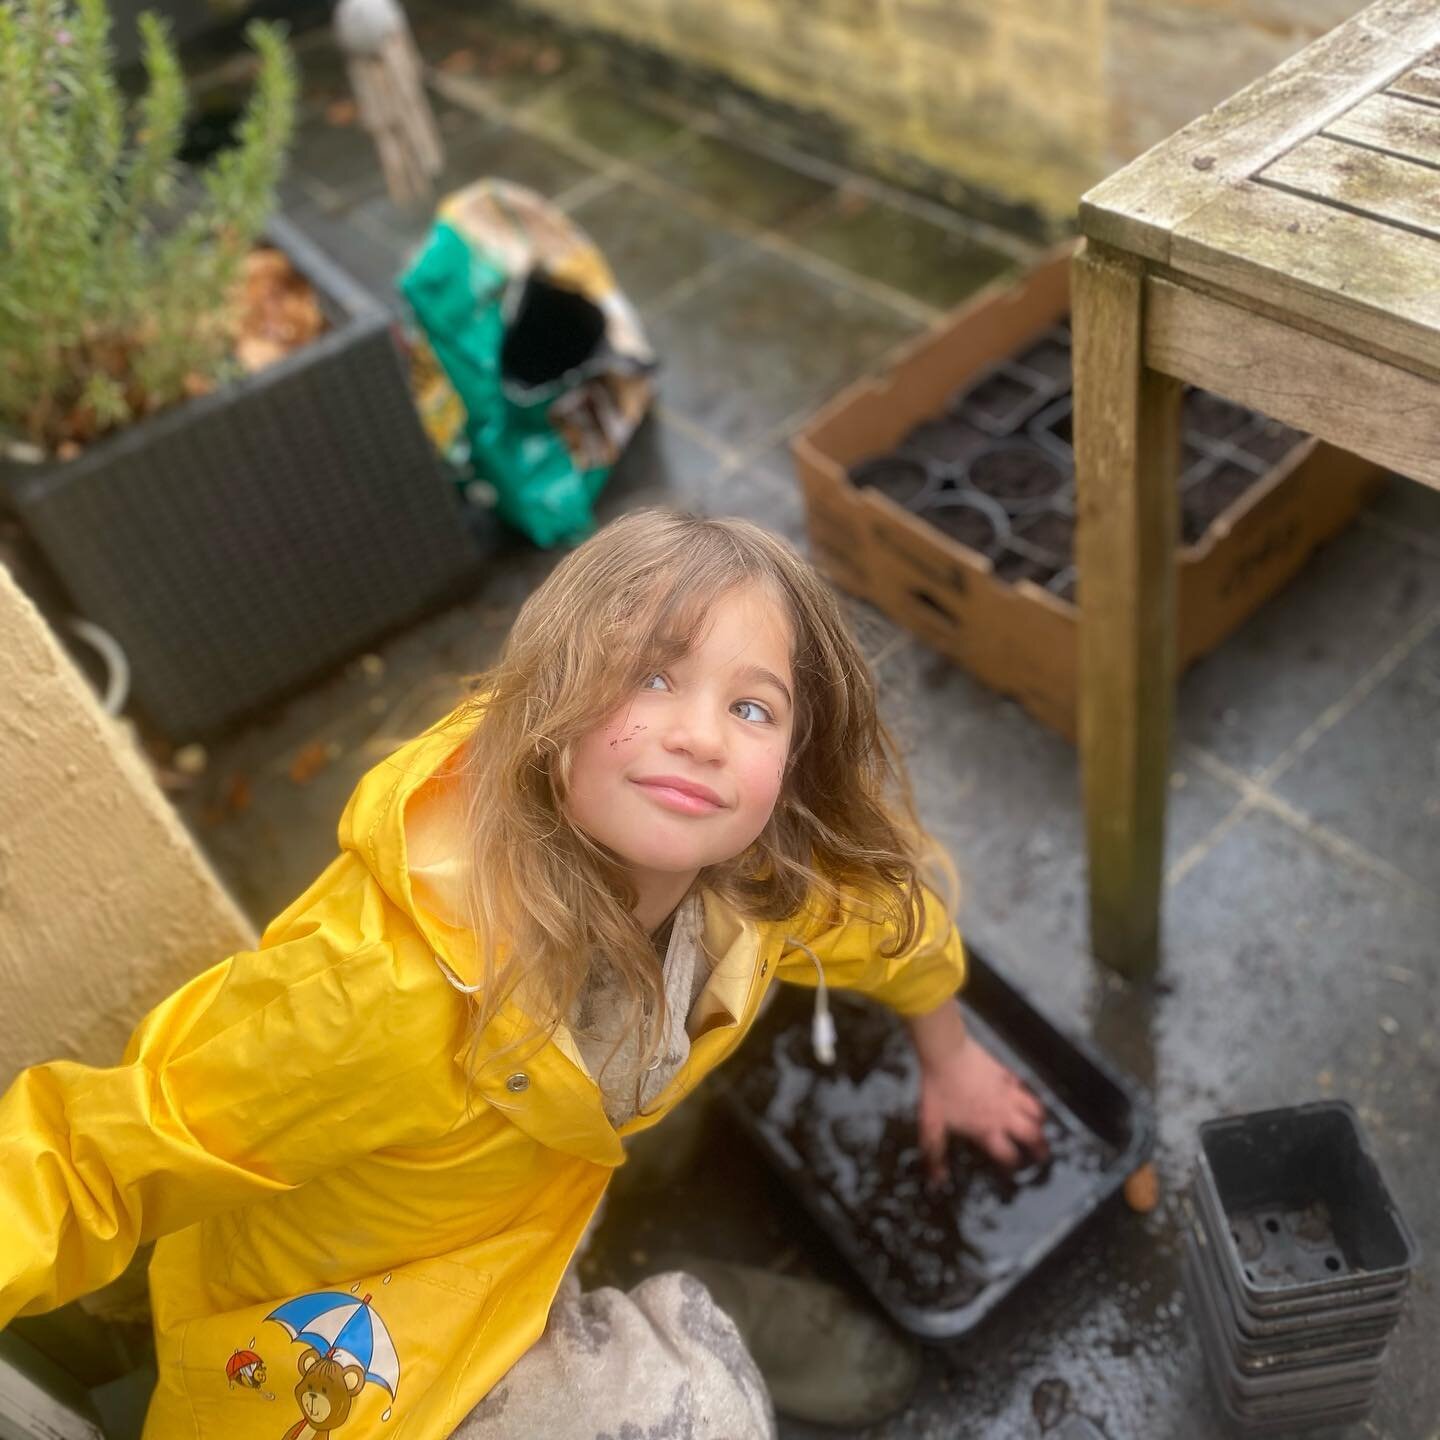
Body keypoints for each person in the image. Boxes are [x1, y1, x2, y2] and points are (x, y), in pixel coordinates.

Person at [0, 509, 1046, 1440]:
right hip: (364, 1324)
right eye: (651, 674)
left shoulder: (757, 883)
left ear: (794, 768)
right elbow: (90, 1159)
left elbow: (889, 926)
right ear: (548, 712)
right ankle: (660, 1338)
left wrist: (949, 1059)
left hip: (534, 1206)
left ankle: (601, 1303)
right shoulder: (385, 997)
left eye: (754, 709)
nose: (700, 735)